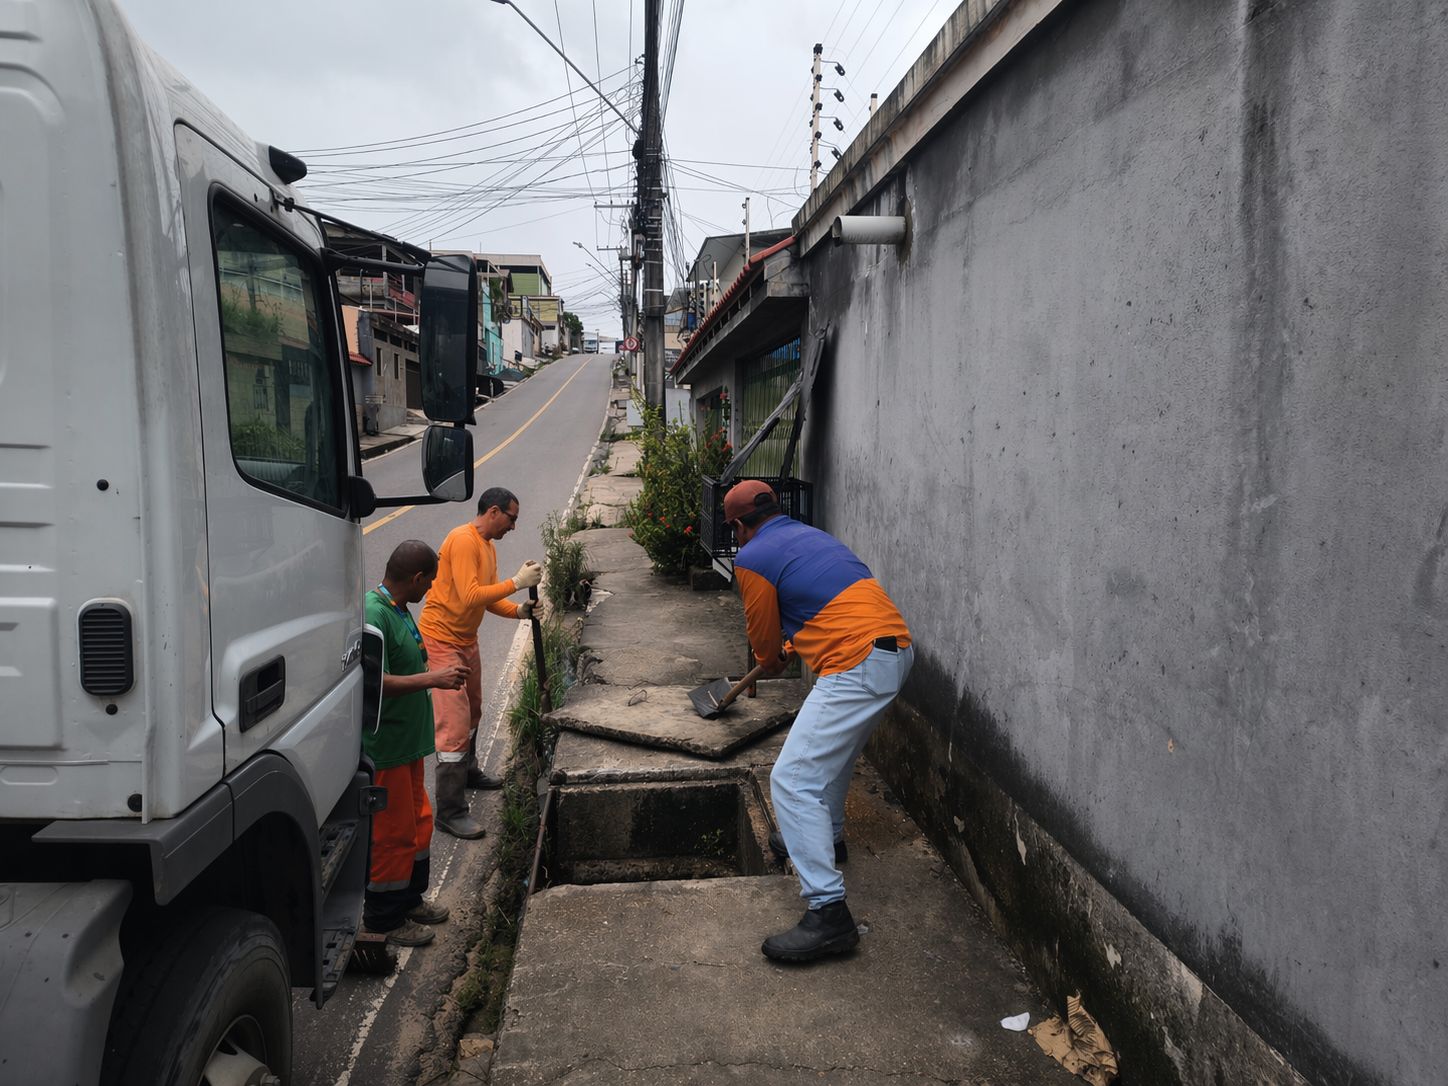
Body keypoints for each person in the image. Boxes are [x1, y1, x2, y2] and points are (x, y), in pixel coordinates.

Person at [725, 480, 914, 962]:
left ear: (739, 526)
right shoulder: (812, 537)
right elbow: (821, 611)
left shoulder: (752, 558)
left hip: (856, 663)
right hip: (892, 649)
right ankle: (825, 837)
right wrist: (790, 647)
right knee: (835, 757)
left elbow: (764, 648)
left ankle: (829, 915)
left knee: (791, 778)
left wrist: (773, 656)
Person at [362, 540, 470, 947]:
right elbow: (376, 681)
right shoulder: (375, 614)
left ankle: (409, 899)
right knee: (391, 835)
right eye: (430, 583)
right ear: (417, 578)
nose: (430, 591)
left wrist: (436, 670)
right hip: (387, 747)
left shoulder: (397, 608)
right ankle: (384, 919)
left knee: (417, 825)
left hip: (408, 746)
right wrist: (435, 679)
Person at [418, 486, 542, 839]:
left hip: (465, 640)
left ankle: (469, 771)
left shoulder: (486, 547)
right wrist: (517, 583)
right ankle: (450, 810)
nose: (513, 527)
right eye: (511, 519)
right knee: (454, 726)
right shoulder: (462, 540)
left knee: (474, 711)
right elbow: (472, 593)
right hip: (442, 640)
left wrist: (519, 610)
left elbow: (484, 602)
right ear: (493, 512)